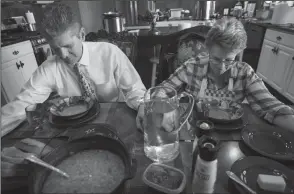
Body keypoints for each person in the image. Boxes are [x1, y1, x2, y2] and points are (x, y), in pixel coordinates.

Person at [1, 3, 146, 137]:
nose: (63, 55)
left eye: (68, 46)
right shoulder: (49, 68)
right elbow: (21, 104)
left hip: (116, 121)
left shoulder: (110, 53)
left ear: (82, 35)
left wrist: (142, 105)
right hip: (75, 129)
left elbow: (134, 89)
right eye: (55, 49)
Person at [137, 17, 294, 132]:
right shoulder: (193, 66)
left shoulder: (244, 73)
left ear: (239, 54)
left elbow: (271, 106)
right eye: (217, 59)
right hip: (194, 131)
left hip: (231, 134)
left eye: (229, 60)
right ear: (209, 49)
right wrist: (163, 107)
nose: (223, 66)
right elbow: (164, 88)